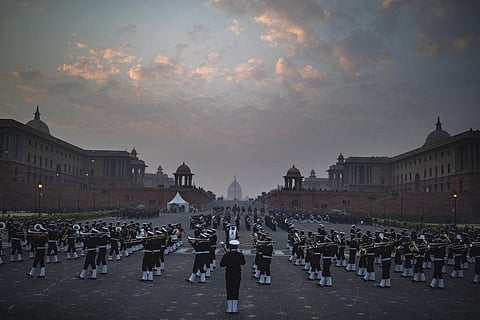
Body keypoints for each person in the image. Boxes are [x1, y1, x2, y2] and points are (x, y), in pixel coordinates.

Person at [220, 239, 245, 314]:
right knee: (236, 290)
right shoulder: (240, 255)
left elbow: (222, 265)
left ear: (230, 247)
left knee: (229, 290)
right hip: (237, 274)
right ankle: (235, 308)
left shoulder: (227, 255)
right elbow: (243, 263)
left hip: (229, 274)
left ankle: (229, 308)